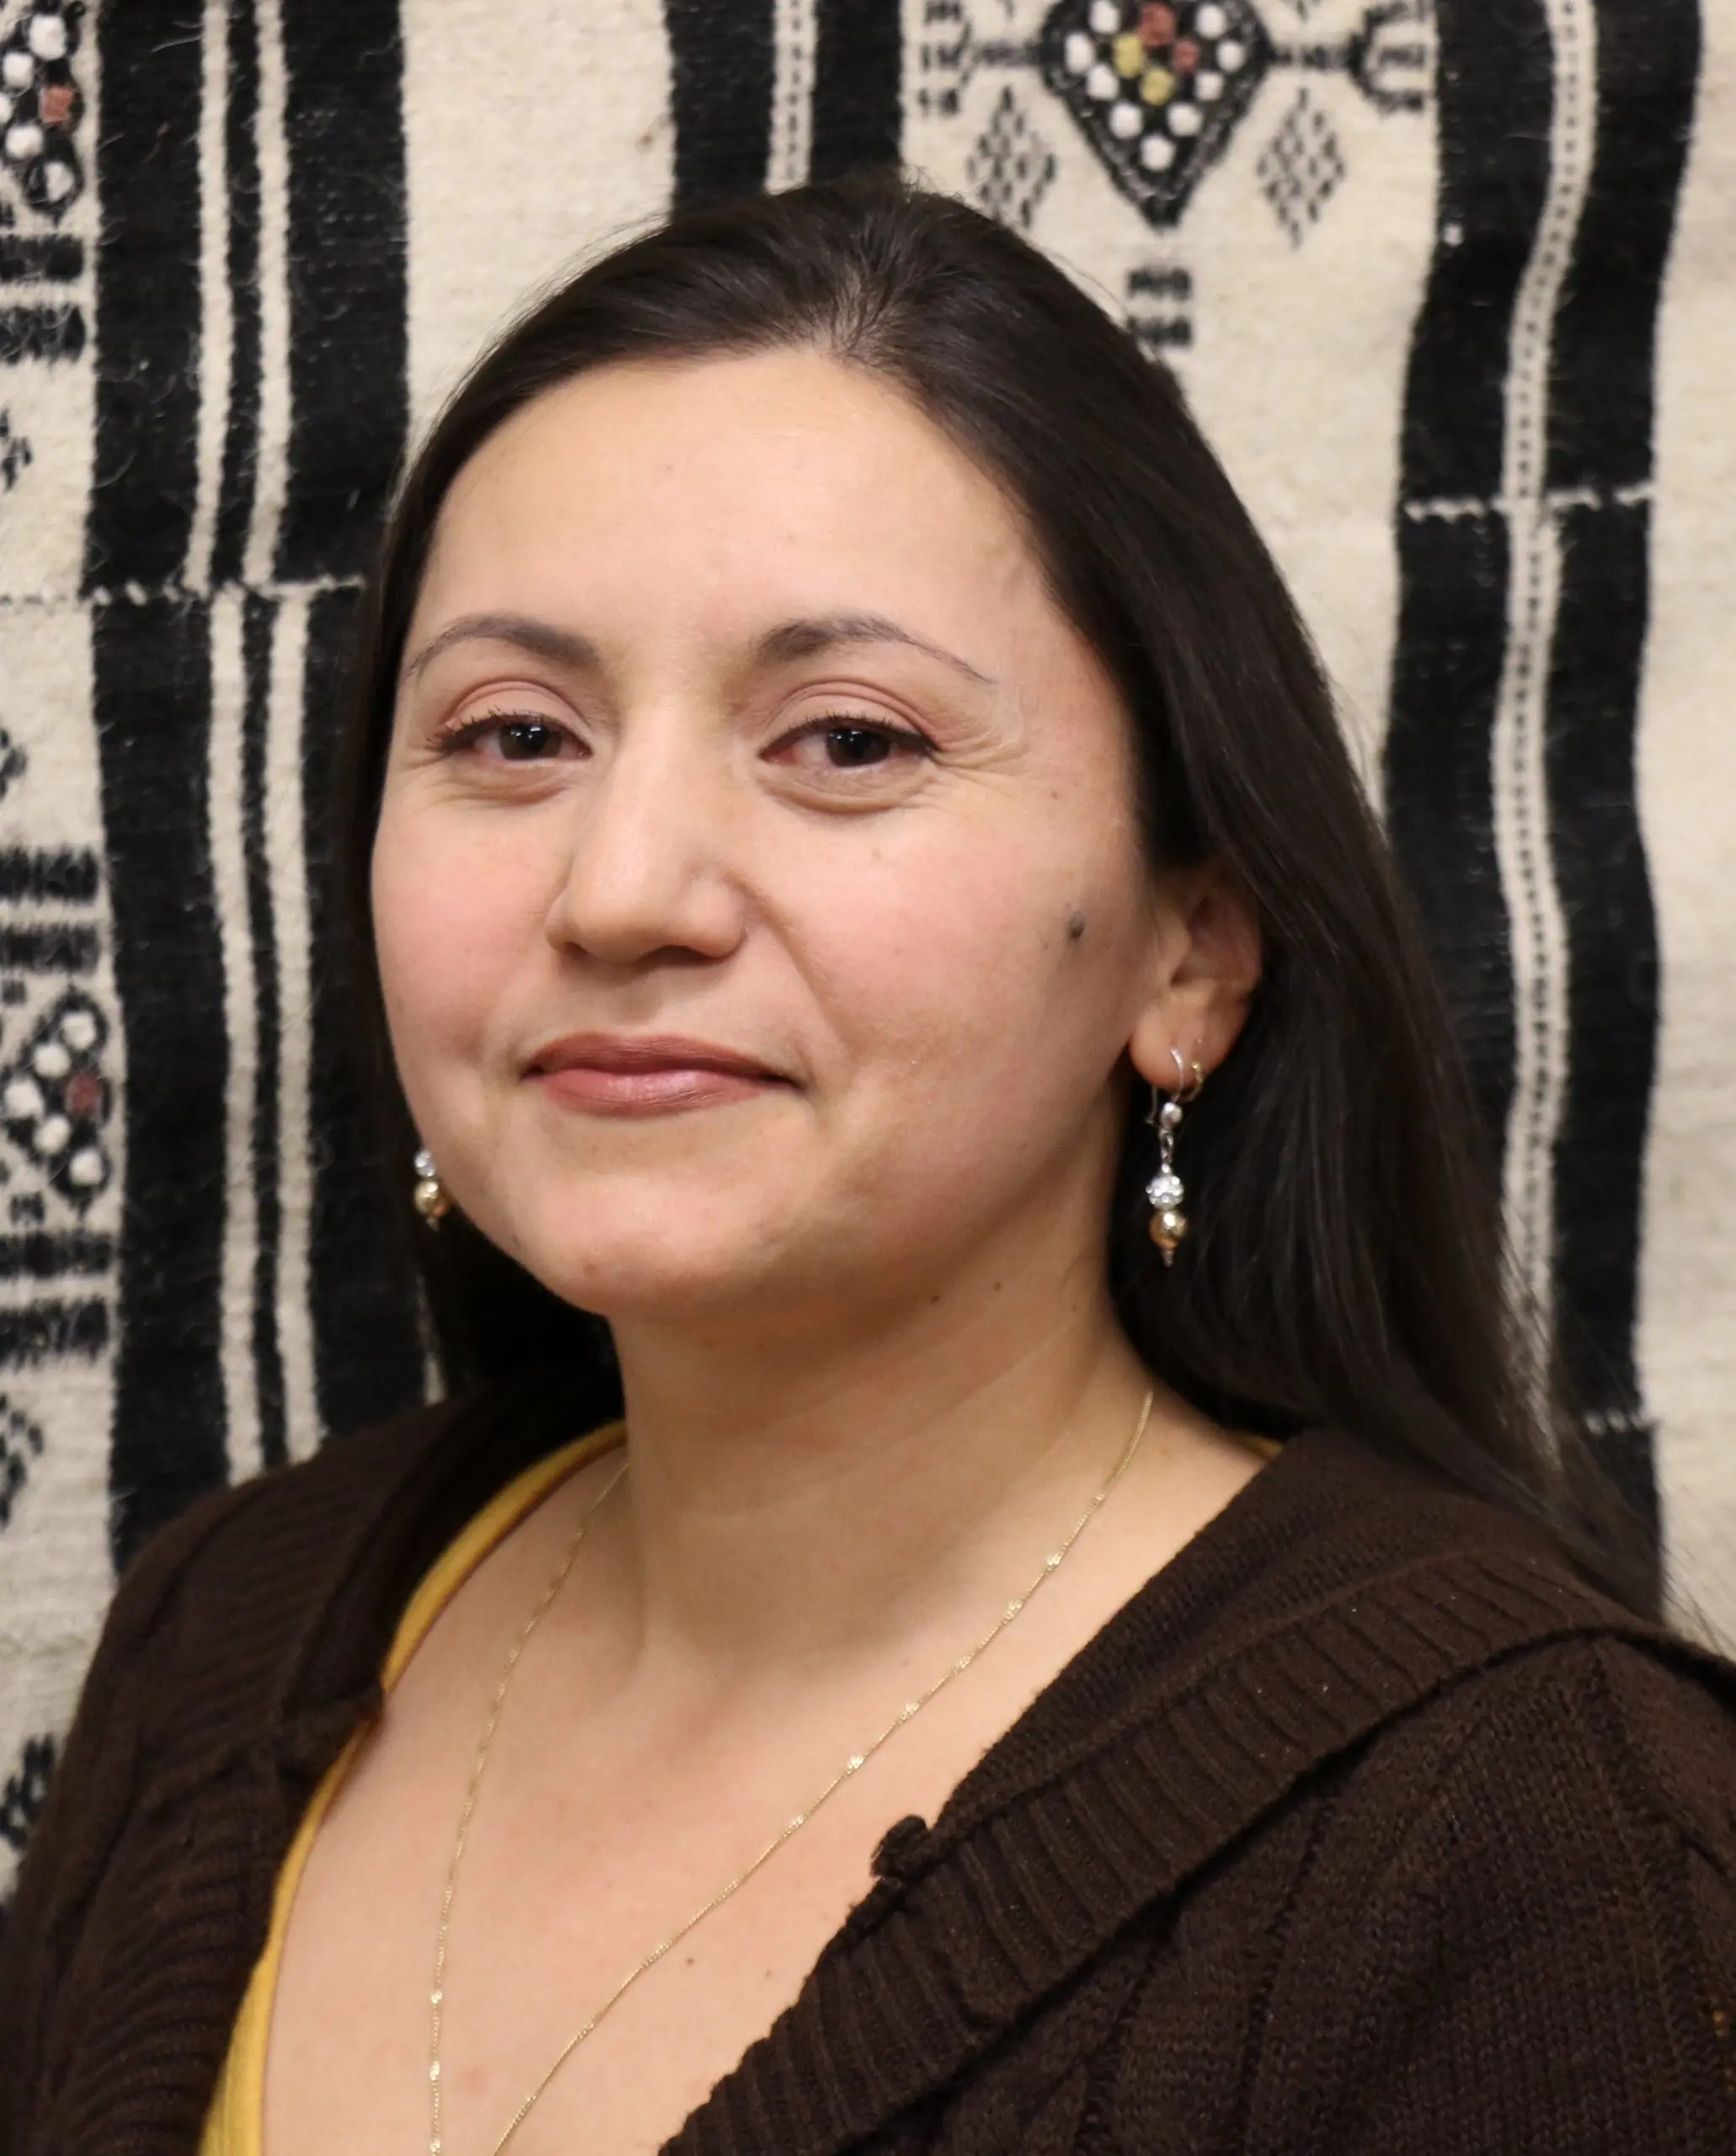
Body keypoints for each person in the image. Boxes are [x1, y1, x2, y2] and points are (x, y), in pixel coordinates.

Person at [2, 174, 1732, 2156]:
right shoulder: (234, 1628)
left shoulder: (1530, 1829)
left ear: (1189, 952)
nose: (623, 887)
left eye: (843, 740)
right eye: (511, 733)